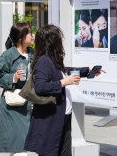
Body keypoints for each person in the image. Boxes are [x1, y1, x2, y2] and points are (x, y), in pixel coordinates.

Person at [24, 24, 105, 156]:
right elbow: (40, 87)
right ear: (51, 41)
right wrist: (63, 82)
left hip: (62, 118)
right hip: (51, 120)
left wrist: (87, 70)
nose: (61, 39)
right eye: (58, 37)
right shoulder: (44, 61)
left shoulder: (53, 59)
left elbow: (64, 71)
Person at [0, 23, 34, 156]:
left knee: (20, 147)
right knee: (20, 147)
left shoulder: (34, 53)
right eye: (29, 32)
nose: (33, 34)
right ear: (21, 37)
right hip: (14, 106)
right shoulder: (8, 55)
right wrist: (13, 77)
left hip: (32, 104)